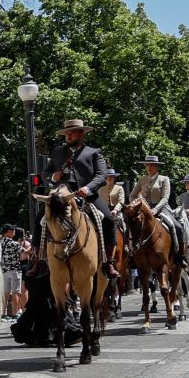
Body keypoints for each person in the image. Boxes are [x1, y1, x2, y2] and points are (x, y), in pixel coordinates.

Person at [45, 119, 117, 279]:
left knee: (109, 221)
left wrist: (88, 188)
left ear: (81, 134)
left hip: (88, 196)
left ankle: (109, 261)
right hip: (62, 198)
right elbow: (45, 174)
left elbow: (102, 175)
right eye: (66, 133)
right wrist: (53, 176)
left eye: (72, 132)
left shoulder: (94, 153)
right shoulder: (57, 153)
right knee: (40, 220)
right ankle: (38, 260)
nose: (68, 135)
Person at [0, 225, 26, 318]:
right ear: (7, 232)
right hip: (15, 270)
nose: (14, 231)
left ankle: (3, 313)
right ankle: (15, 313)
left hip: (4, 270)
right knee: (16, 292)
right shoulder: (15, 244)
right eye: (12, 230)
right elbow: (25, 252)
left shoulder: (0, 242)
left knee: (5, 292)